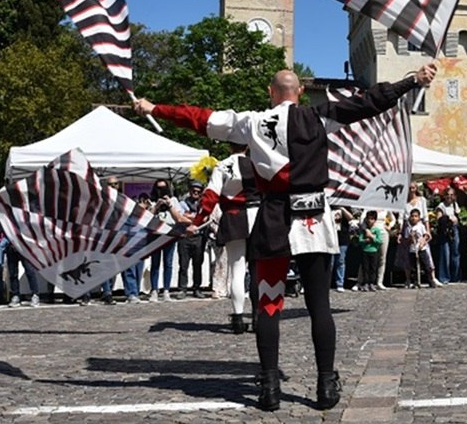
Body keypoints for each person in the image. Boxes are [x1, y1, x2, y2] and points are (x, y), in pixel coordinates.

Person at [136, 62, 436, 411]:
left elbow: (199, 118)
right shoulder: (319, 117)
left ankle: (269, 389)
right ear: (299, 94)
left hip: (273, 219)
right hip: (313, 221)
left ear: (271, 93)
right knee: (319, 305)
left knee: (268, 306)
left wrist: (153, 108)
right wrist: (411, 80)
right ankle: (326, 385)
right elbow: (369, 102)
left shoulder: (250, 122)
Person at [186, 148, 259, 333]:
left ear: (229, 146)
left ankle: (238, 318)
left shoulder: (222, 165)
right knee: (258, 270)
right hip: (258, 216)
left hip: (234, 218)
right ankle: (259, 317)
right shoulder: (258, 162)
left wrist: (196, 222)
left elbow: (210, 197)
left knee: (237, 269)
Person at [399, 183, 439, 287]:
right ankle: (409, 280)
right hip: (408, 230)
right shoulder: (404, 202)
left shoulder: (421, 200)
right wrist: (400, 233)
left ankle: (432, 278)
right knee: (408, 258)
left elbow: (425, 217)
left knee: (426, 256)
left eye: (413, 188)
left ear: (416, 188)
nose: (411, 190)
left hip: (420, 229)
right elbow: (401, 219)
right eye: (409, 188)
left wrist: (428, 231)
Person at [149, 179, 180, 302]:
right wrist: (156, 206)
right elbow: (148, 216)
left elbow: (177, 218)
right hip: (155, 235)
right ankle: (154, 290)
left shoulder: (173, 200)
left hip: (169, 234)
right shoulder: (152, 200)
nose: (161, 191)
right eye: (158, 188)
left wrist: (169, 204)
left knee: (168, 263)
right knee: (155, 264)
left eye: (164, 188)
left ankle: (166, 290)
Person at [177, 181, 207, 299]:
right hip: (184, 237)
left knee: (198, 264)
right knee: (183, 265)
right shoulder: (182, 203)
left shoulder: (203, 204)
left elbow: (205, 218)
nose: (196, 193)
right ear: (189, 191)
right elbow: (180, 218)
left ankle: (197, 288)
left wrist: (189, 216)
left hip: (199, 237)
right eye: (194, 191)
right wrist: (197, 218)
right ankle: (182, 289)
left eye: (198, 192)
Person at [434, 183, 462, 284]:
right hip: (445, 231)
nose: (449, 197)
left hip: (454, 230)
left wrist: (456, 220)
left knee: (455, 253)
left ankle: (456, 276)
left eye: (451, 195)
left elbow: (458, 216)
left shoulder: (455, 205)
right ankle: (444, 277)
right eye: (447, 194)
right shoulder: (441, 206)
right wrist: (448, 218)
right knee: (445, 254)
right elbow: (439, 219)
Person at [356, 210, 386, 291]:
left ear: (375, 220)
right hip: (365, 251)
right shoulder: (364, 230)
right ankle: (365, 283)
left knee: (373, 268)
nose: (370, 221)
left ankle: (372, 283)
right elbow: (360, 240)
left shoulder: (377, 230)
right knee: (365, 268)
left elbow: (379, 241)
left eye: (372, 219)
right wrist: (365, 240)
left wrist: (372, 237)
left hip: (374, 251)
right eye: (369, 219)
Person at [402, 208, 431, 288]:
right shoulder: (408, 228)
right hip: (413, 249)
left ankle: (430, 281)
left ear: (419, 218)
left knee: (426, 265)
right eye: (412, 216)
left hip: (421, 249)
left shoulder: (421, 226)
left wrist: (423, 241)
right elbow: (406, 239)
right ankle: (415, 282)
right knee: (414, 267)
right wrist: (411, 238)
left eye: (416, 216)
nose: (414, 218)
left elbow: (426, 235)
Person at [332, 206, 354, 292]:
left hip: (343, 237)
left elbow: (351, 218)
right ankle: (328, 283)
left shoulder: (346, 206)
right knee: (330, 262)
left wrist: (342, 209)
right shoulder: (329, 206)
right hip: (331, 237)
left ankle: (340, 283)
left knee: (340, 261)